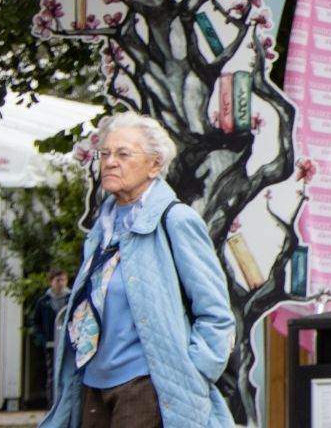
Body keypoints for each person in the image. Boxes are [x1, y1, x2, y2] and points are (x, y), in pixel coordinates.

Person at [41, 113, 235, 428]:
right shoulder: (102, 228)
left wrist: (192, 373)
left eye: (123, 154)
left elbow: (216, 313)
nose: (110, 162)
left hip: (146, 385)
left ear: (155, 165)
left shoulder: (175, 220)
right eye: (105, 154)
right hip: (92, 382)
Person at [31, 268, 71, 408]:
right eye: (58, 280)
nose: (61, 283)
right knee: (52, 377)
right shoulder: (44, 302)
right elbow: (35, 323)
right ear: (51, 282)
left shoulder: (71, 299)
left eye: (63, 280)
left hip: (69, 345)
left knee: (69, 375)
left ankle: (66, 406)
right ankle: (52, 406)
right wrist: (43, 341)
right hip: (51, 345)